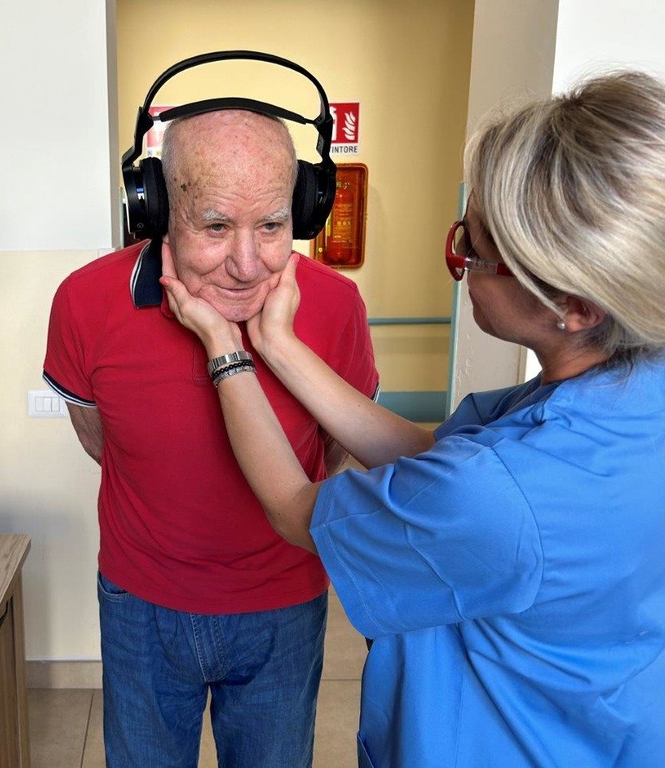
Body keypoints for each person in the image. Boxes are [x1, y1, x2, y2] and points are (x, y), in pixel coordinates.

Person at [160, 69, 665, 767]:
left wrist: (223, 345)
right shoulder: (626, 395)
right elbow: (430, 458)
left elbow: (295, 507)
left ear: (574, 306)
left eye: (473, 250)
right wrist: (278, 344)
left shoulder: (500, 494)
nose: (457, 261)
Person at [43, 107, 378, 767]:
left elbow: (334, 450)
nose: (247, 266)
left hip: (285, 605)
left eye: (272, 226)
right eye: (217, 227)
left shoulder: (338, 306)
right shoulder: (84, 301)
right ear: (157, 209)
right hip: (141, 603)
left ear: (301, 211)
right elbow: (99, 439)